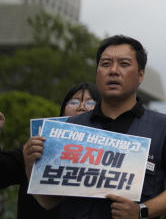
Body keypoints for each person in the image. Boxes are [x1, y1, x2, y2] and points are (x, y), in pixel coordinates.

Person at [23, 35, 166, 219]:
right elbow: (49, 202)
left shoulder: (163, 127)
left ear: (140, 75)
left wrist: (141, 211)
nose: (113, 71)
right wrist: (30, 167)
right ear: (97, 72)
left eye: (124, 64)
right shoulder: (71, 128)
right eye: (106, 64)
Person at [1, 83, 102, 219]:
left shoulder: (109, 158)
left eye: (90, 102)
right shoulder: (36, 149)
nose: (81, 107)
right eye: (74, 101)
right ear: (62, 110)